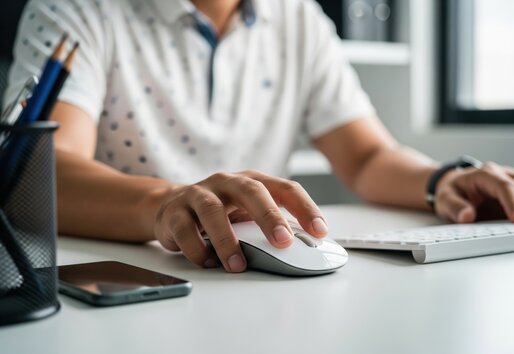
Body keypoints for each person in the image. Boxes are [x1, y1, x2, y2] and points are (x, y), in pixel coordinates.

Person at [5, 0, 514, 273]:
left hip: (254, 287)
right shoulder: (75, 8)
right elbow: (42, 170)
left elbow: (366, 157)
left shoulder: (299, 18)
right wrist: (164, 204)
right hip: (133, 272)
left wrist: (445, 178)